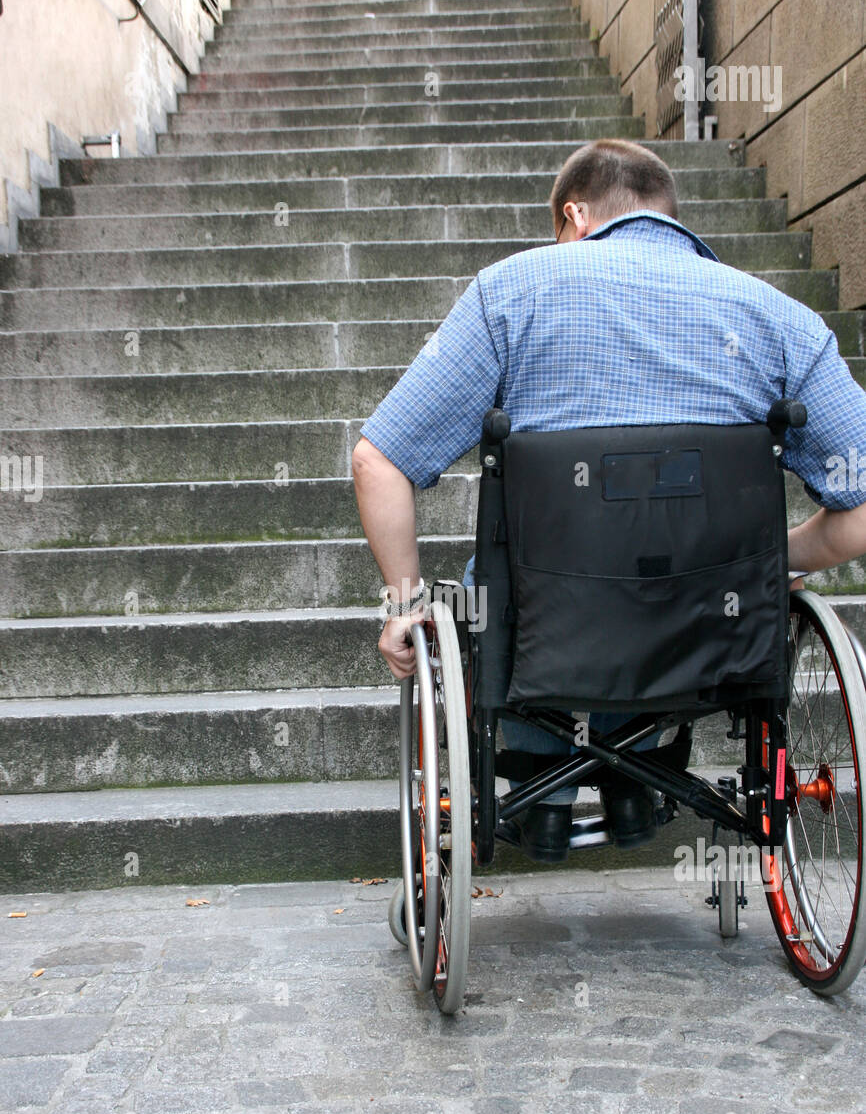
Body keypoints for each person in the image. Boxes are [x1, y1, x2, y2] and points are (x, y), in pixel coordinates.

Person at [352, 139, 866, 861]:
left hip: (542, 626)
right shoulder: (780, 319)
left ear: (575, 216)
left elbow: (377, 460)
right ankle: (641, 765)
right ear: (668, 217)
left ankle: (546, 787)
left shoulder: (511, 292)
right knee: (674, 585)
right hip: (704, 627)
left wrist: (405, 604)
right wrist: (776, 560)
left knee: (501, 593)